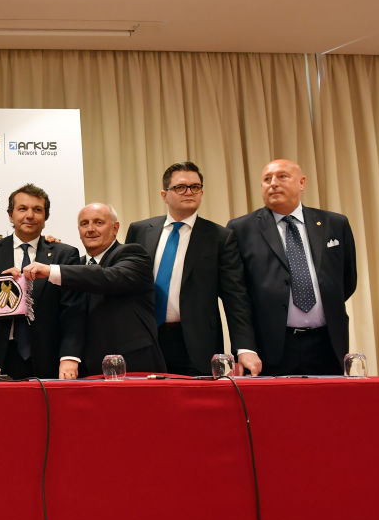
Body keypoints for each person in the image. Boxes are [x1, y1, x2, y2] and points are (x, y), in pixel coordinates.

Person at [125, 162, 261, 376]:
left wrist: (244, 347)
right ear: (164, 194)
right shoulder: (140, 231)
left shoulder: (220, 237)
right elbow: (126, 284)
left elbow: (236, 297)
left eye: (195, 187)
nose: (189, 192)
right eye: (180, 187)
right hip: (145, 340)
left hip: (196, 344)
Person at [226, 159, 356, 376]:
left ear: (302, 182)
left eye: (282, 177)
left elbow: (347, 280)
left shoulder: (334, 223)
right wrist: (245, 347)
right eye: (267, 179)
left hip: (327, 343)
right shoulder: (241, 229)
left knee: (327, 408)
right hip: (270, 346)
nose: (273, 184)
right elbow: (236, 295)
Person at [24, 203, 166, 376]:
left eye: (99, 222)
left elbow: (106, 277)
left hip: (133, 365)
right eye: (84, 224)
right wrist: (21, 278)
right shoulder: (75, 264)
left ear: (115, 228)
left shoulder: (133, 254)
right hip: (85, 368)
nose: (90, 229)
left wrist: (51, 269)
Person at [0, 184, 84, 379]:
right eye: (22, 209)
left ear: (45, 217)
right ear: (10, 214)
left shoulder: (64, 254)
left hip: (48, 358)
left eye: (37, 210)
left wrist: (70, 356)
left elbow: (73, 312)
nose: (30, 215)